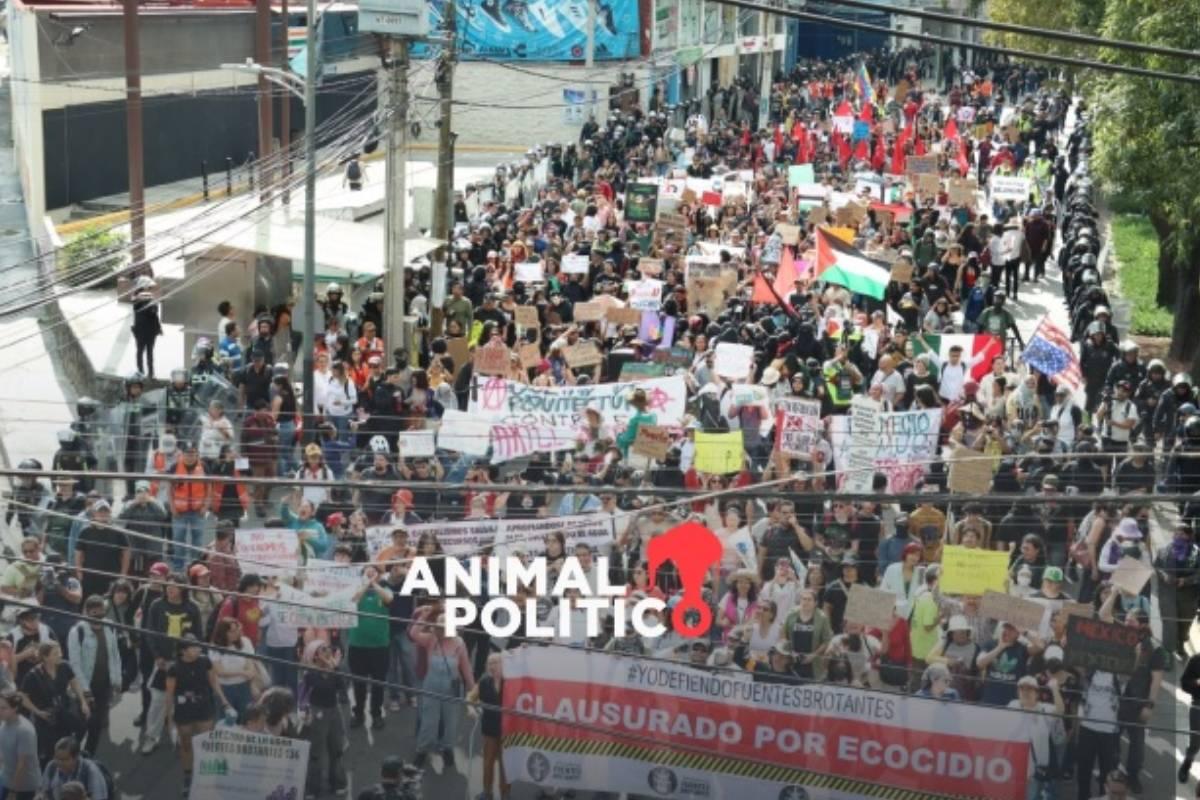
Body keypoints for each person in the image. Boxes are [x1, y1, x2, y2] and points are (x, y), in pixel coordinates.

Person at [164, 635, 232, 796]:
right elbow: (169, 695)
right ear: (183, 651)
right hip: (184, 711)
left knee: (207, 743)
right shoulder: (174, 668)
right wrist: (169, 719)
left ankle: (207, 777)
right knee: (186, 744)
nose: (199, 649)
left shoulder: (205, 661)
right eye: (194, 647)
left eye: (198, 646)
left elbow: (214, 682)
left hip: (204, 708)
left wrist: (224, 702)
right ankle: (188, 777)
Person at [409, 611, 475, 770]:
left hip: (451, 689)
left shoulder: (459, 643)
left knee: (451, 722)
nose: (440, 632)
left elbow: (466, 669)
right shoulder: (431, 639)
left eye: (443, 628)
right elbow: (413, 633)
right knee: (428, 721)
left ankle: (447, 749)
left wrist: (473, 693)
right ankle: (422, 751)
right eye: (438, 627)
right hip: (431, 685)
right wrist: (424, 617)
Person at [65, 597, 120, 758]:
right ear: (86, 612)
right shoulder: (77, 632)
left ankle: (87, 758)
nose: (98, 616)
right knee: (81, 726)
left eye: (101, 611)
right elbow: (74, 664)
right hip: (85, 689)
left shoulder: (110, 627)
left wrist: (117, 680)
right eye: (94, 612)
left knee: (96, 727)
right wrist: (85, 691)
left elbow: (115, 655)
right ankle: (71, 757)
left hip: (105, 686)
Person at [19, 642, 89, 768]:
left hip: (63, 710)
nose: (60, 655)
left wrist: (83, 701)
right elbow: (22, 696)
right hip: (46, 718)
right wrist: (37, 712)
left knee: (80, 727)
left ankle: (72, 758)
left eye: (60, 652)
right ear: (45, 657)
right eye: (56, 654)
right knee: (51, 750)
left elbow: (74, 682)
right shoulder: (33, 675)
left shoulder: (64, 666)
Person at [298, 640, 348, 799]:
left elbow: (342, 687)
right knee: (316, 753)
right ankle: (313, 788)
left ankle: (338, 783)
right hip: (317, 712)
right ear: (315, 655)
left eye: (328, 648)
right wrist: (332, 668)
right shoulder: (310, 674)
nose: (328, 651)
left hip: (334, 711)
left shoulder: (334, 669)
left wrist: (335, 668)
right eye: (323, 649)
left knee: (337, 750)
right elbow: (321, 686)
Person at [347, 566, 393, 730]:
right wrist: (366, 585)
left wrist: (375, 584)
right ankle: (358, 713)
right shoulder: (355, 589)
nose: (371, 573)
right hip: (357, 645)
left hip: (380, 646)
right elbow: (353, 600)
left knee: (378, 683)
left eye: (374, 571)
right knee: (358, 683)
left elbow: (388, 599)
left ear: (380, 575)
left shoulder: (385, 588)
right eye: (367, 571)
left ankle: (376, 714)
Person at [467, 652, 508, 800]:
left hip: (507, 730)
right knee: (488, 762)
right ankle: (487, 792)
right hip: (489, 728)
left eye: (496, 662)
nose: (492, 666)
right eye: (489, 663)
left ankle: (505, 794)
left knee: (506, 765)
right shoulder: (484, 681)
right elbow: (470, 698)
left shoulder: (510, 680)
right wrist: (471, 709)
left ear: (503, 664)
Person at [36, 736, 109, 800]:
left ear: (76, 757)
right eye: (56, 758)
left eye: (64, 759)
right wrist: (40, 796)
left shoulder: (90, 771)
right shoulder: (51, 766)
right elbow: (43, 792)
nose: (59, 763)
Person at [0, 690, 39, 800]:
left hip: (23, 786)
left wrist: (13, 792)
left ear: (15, 708)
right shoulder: (4, 724)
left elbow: (22, 765)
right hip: (6, 780)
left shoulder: (24, 730)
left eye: (3, 708)